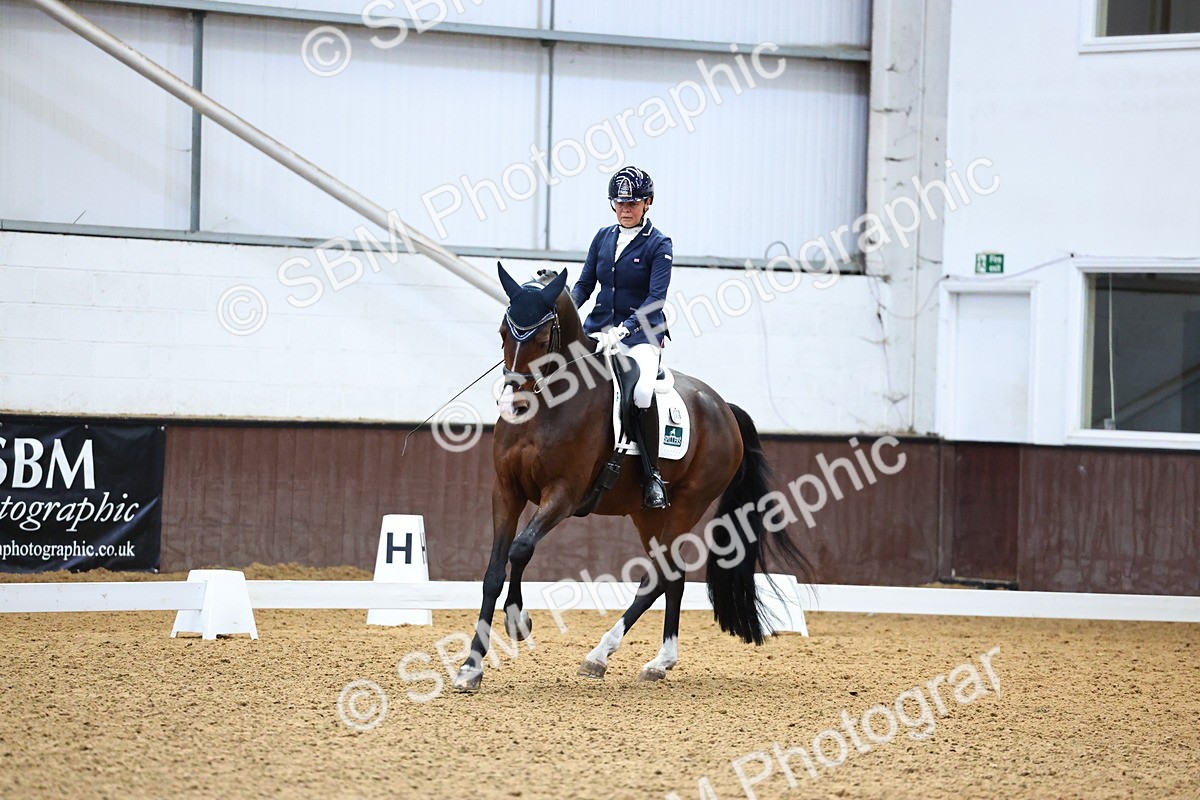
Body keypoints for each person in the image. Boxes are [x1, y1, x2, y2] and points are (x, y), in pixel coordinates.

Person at [570, 165, 672, 509]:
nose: (625, 210)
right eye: (619, 203)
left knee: (642, 391)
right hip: (598, 327)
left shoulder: (660, 244)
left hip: (641, 333)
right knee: (561, 371)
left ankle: (651, 474)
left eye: (633, 203)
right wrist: (564, 308)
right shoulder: (603, 237)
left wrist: (625, 330)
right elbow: (585, 284)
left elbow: (655, 298)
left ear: (648, 203)